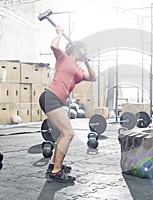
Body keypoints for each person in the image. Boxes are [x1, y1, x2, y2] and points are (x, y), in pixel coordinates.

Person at [39, 26, 97, 183]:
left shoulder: (79, 70)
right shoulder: (63, 57)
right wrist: (59, 34)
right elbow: (53, 46)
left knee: (63, 135)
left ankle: (54, 165)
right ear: (77, 49)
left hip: (55, 100)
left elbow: (93, 77)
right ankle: (56, 171)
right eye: (84, 50)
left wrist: (86, 61)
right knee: (68, 134)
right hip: (50, 97)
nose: (85, 53)